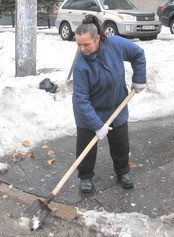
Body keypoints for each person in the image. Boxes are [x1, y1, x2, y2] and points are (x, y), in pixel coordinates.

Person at [72, 15, 146, 193]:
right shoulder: (81, 65)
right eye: (78, 44)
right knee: (86, 147)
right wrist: (97, 125)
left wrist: (139, 79)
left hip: (116, 106)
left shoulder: (115, 44)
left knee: (120, 143)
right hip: (90, 112)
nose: (82, 49)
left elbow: (138, 54)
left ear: (97, 38)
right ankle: (85, 177)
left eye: (86, 44)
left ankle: (123, 172)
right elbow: (81, 100)